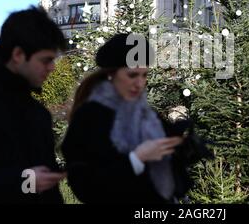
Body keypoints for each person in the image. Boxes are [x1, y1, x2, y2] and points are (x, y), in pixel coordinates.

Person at [61, 33, 209, 203]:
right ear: (111, 75)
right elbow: (85, 185)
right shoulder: (89, 117)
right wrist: (136, 159)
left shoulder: (147, 115)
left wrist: (184, 150)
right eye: (132, 75)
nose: (140, 83)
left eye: (144, 75)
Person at [0, 6, 66, 204]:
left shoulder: (37, 113)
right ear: (18, 55)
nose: (52, 67)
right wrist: (24, 182)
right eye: (46, 60)